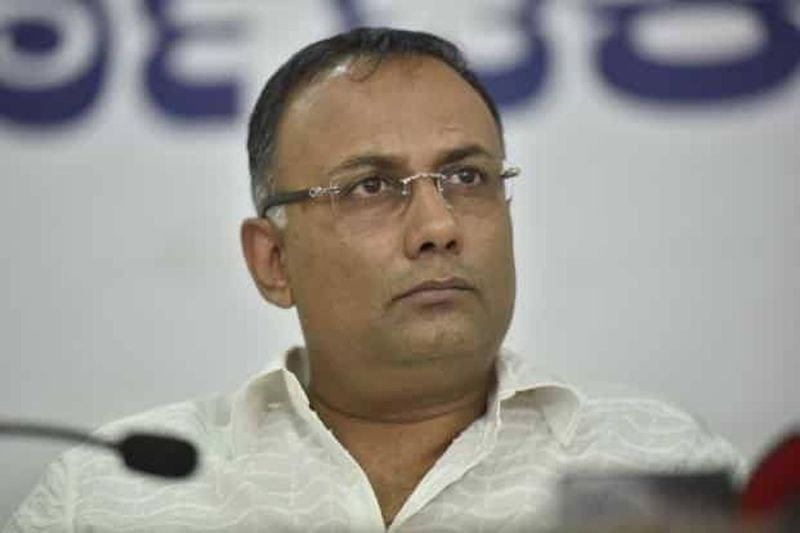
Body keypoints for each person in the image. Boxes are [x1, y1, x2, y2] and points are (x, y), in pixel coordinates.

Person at [5, 27, 743, 532]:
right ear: (273, 261)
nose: (438, 226)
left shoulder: (661, 461)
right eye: (370, 186)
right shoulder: (110, 492)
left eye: (467, 176)